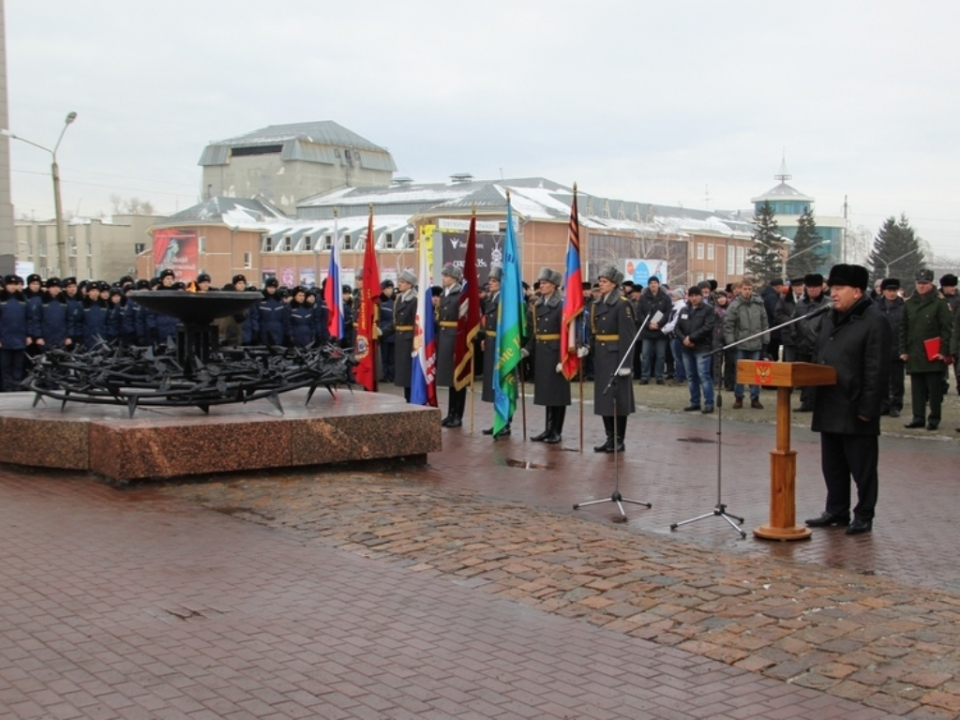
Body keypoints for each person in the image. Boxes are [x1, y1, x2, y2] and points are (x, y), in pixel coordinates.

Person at [805, 264, 890, 535]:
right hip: (829, 401)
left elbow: (877, 369)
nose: (833, 294)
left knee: (862, 468)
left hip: (856, 406)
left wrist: (869, 407)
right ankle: (836, 510)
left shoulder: (874, 320)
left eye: (839, 289)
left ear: (856, 291)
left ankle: (864, 514)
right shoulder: (831, 317)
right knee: (833, 465)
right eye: (832, 289)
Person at [587, 265, 636, 452]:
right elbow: (595, 332)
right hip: (601, 356)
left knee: (619, 399)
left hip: (616, 357)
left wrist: (626, 364)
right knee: (604, 399)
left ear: (614, 284)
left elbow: (628, 337)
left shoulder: (622, 304)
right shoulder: (598, 304)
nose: (601, 284)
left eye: (605, 281)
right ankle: (609, 437)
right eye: (600, 281)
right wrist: (588, 348)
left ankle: (619, 439)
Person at [521, 267, 570, 444]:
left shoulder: (562, 305)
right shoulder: (538, 305)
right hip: (542, 353)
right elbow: (537, 333)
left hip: (556, 353)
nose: (541, 286)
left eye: (545, 283)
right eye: (540, 283)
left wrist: (564, 358)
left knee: (558, 394)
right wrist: (527, 349)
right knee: (547, 394)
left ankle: (557, 431)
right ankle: (548, 429)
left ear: (555, 285)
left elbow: (568, 333)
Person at [900, 268, 952, 430]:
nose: (921, 286)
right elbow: (903, 329)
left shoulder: (939, 303)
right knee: (917, 389)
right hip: (915, 352)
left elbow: (946, 329)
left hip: (933, 354)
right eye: (919, 283)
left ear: (931, 284)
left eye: (925, 283)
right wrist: (903, 350)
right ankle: (918, 417)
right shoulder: (909, 304)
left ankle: (934, 418)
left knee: (934, 389)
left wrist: (943, 352)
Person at [722, 278, 769, 409]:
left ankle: (755, 397)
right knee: (740, 373)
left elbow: (764, 323)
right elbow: (729, 325)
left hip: (756, 343)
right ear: (740, 290)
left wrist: (765, 340)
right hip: (740, 343)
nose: (747, 291)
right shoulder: (735, 305)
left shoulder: (759, 304)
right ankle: (739, 397)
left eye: (749, 289)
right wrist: (731, 343)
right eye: (745, 289)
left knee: (755, 372)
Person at [791, 273, 830, 412]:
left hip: (820, 347)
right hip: (803, 345)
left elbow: (829, 325)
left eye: (815, 287)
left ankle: (819, 403)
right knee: (805, 376)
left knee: (818, 376)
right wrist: (796, 338)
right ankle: (806, 402)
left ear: (821, 288)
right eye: (810, 287)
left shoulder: (827, 304)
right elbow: (793, 322)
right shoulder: (800, 304)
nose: (812, 290)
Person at [675, 285, 716, 413]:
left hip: (702, 347)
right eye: (691, 296)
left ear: (701, 296)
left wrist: (691, 338)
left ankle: (709, 403)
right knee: (691, 376)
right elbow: (677, 328)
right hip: (686, 349)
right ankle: (694, 402)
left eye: (696, 296)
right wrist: (684, 339)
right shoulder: (684, 310)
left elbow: (708, 327)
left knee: (704, 376)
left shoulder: (708, 310)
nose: (693, 298)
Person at [480, 267, 510, 437]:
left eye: (494, 281)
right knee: (494, 385)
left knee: (504, 384)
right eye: (490, 281)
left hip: (502, 346)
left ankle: (505, 422)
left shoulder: (505, 301)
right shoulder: (491, 300)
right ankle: (497, 421)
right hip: (492, 344)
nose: (490, 284)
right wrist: (485, 337)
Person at [436, 264, 466, 427]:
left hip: (455, 339)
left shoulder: (460, 295)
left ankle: (458, 415)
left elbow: (464, 321)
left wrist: (459, 345)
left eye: (446, 276)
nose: (444, 278)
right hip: (445, 338)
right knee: (449, 379)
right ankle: (450, 413)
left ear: (454, 278)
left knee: (458, 380)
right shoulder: (444, 294)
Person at [875, 278, 905, 418]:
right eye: (889, 291)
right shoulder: (875, 307)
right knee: (882, 379)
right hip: (880, 349)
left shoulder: (903, 307)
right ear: (883, 291)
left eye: (894, 290)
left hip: (897, 348)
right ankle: (883, 404)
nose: (892, 293)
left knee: (897, 381)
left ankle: (896, 405)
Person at [636, 276, 672, 385]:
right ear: (648, 285)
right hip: (647, 332)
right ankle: (645, 376)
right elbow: (640, 313)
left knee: (660, 356)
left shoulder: (665, 298)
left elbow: (668, 313)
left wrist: (659, 324)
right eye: (651, 283)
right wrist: (648, 324)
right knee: (646, 355)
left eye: (655, 282)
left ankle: (659, 376)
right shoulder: (643, 298)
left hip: (660, 332)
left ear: (658, 284)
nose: (653, 285)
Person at [0, 274, 33, 391]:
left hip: (20, 338)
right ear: (5, 286)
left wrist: (29, 335)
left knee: (18, 365)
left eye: (15, 284)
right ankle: (7, 387)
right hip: (5, 339)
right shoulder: (1, 299)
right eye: (10, 284)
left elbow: (29, 319)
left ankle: (17, 386)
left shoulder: (23, 300)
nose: (13, 287)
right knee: (6, 365)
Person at [392, 271, 417, 403]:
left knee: (408, 373)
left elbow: (416, 323)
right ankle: (407, 398)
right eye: (399, 281)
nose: (399, 284)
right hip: (400, 339)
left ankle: (412, 399)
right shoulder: (399, 299)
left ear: (410, 285)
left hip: (409, 340)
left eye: (402, 282)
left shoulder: (414, 300)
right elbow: (395, 323)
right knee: (403, 373)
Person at [378, 280, 396, 382]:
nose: (390, 290)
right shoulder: (380, 302)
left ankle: (391, 375)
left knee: (392, 358)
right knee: (384, 357)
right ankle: (384, 375)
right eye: (387, 288)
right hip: (383, 333)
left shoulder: (394, 302)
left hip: (393, 334)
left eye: (391, 288)